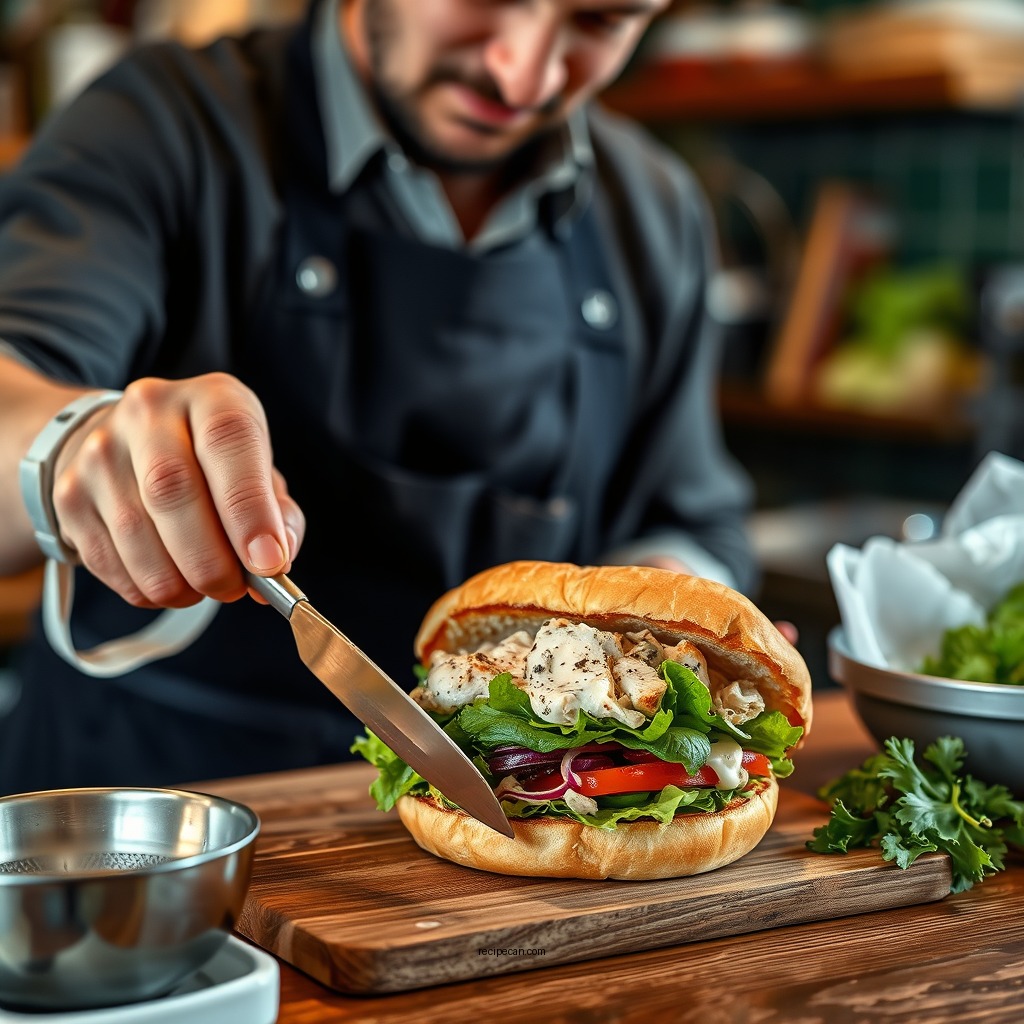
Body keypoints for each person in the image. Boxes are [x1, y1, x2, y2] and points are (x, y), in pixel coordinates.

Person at [0, 0, 758, 793]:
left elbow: (691, 509)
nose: (522, 73)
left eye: (601, 22)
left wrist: (662, 603)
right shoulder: (158, 121)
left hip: (488, 814)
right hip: (151, 809)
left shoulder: (655, 209)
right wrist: (70, 447)